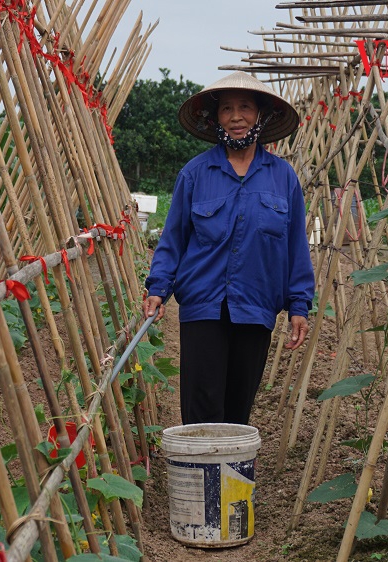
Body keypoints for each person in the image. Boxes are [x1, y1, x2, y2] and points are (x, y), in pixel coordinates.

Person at [142, 71, 316, 426]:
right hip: (203, 305)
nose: (236, 117)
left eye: (245, 107)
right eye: (226, 109)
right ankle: (199, 480)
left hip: (256, 305)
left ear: (262, 115)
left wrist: (300, 304)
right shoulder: (195, 174)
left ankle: (231, 481)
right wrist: (158, 287)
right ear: (215, 118)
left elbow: (296, 246)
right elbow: (173, 238)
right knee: (202, 408)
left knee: (239, 408)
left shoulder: (283, 178)